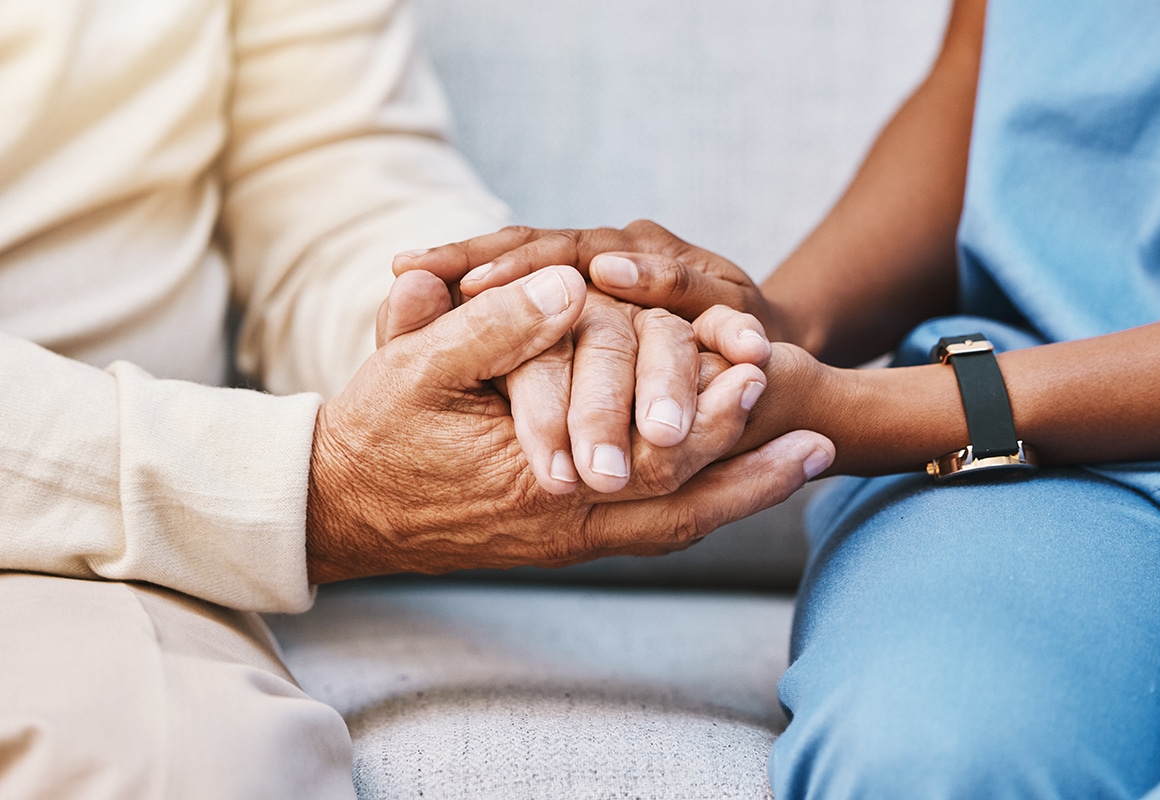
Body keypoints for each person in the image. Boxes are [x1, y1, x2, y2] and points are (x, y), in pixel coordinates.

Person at [0, 1, 836, 796]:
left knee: (180, 765)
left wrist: (488, 331)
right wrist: (298, 485)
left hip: (96, 567)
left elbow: (324, 178)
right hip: (112, 494)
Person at [395, 0, 1160, 796]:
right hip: (1050, 476)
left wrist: (884, 411)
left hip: (991, 408)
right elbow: (988, 75)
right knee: (929, 756)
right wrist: (774, 322)